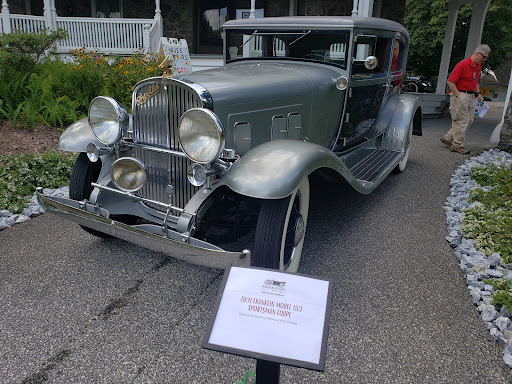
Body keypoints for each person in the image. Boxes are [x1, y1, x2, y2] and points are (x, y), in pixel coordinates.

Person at [440, 44, 491, 154]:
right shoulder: (462, 64)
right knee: (462, 121)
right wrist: (458, 95)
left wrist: (478, 94)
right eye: (484, 57)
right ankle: (457, 145)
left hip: (471, 95)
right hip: (461, 94)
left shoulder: (477, 66)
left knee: (469, 120)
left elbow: (475, 81)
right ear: (477, 53)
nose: (485, 59)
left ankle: (448, 138)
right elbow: (450, 81)